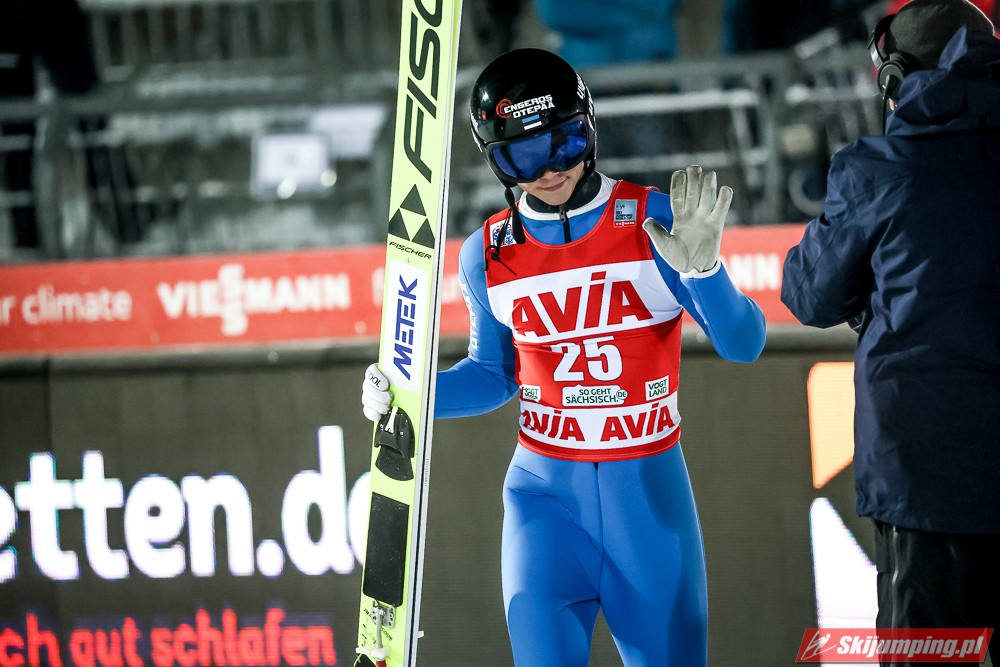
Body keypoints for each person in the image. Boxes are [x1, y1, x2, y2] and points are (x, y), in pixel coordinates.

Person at [362, 48, 766, 666]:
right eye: (522, 157)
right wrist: (408, 392)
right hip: (543, 503)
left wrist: (706, 272)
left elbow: (744, 344)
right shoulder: (486, 253)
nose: (551, 170)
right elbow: (494, 376)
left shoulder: (654, 221)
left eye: (565, 144)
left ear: (590, 129)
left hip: (648, 503)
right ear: (495, 159)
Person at [780, 1, 1000, 663]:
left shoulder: (876, 167)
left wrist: (870, 295)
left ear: (895, 79)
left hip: (923, 481)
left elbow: (809, 294)